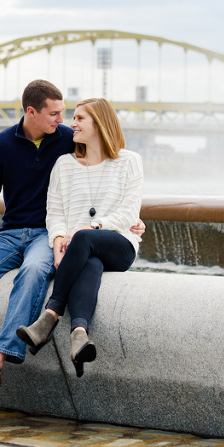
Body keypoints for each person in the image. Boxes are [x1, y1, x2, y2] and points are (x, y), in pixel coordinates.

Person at [0, 82, 144, 412]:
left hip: (45, 237)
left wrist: (127, 221)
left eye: (68, 114)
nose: (63, 121)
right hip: (10, 234)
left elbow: (110, 159)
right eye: (56, 113)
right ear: (31, 112)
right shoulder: (3, 144)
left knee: (34, 272)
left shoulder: (65, 138)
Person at [17, 98, 143, 378]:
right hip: (78, 248)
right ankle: (79, 335)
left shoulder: (129, 161)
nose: (71, 123)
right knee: (91, 264)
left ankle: (49, 317)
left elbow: (129, 213)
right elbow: (55, 212)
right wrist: (58, 241)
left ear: (100, 124)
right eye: (72, 118)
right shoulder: (64, 164)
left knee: (86, 240)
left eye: (79, 118)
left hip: (119, 244)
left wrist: (91, 228)